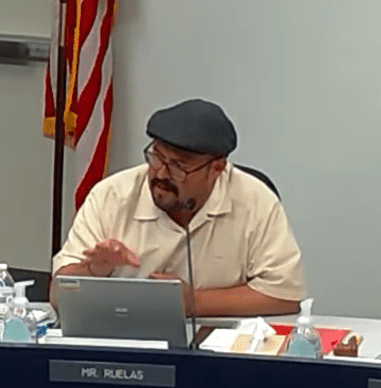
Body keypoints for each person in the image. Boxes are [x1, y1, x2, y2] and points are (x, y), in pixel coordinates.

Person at [50, 98, 305, 316]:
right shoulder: (112, 195)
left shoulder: (255, 201)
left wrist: (193, 301)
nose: (161, 174)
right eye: (157, 157)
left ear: (217, 168)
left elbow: (285, 296)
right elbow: (57, 295)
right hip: (123, 341)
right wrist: (93, 269)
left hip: (218, 344)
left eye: (179, 166)